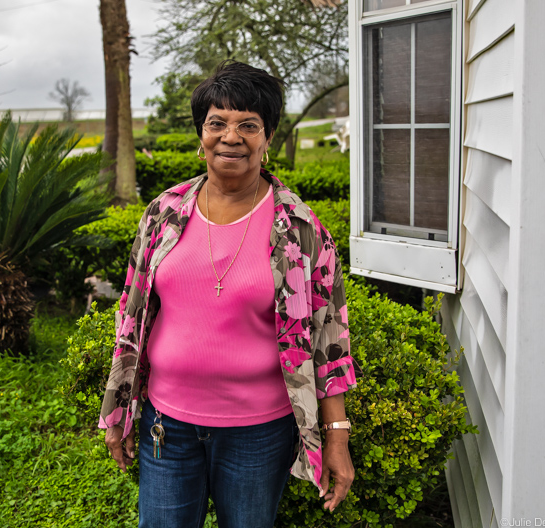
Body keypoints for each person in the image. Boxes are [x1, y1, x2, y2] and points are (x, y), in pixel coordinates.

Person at [99, 60, 357, 528]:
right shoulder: (164, 214)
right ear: (201, 133)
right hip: (167, 427)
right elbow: (131, 315)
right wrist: (118, 408)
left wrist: (336, 438)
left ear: (268, 137)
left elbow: (329, 338)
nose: (231, 136)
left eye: (248, 125)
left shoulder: (299, 230)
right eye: (216, 122)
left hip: (259, 433)